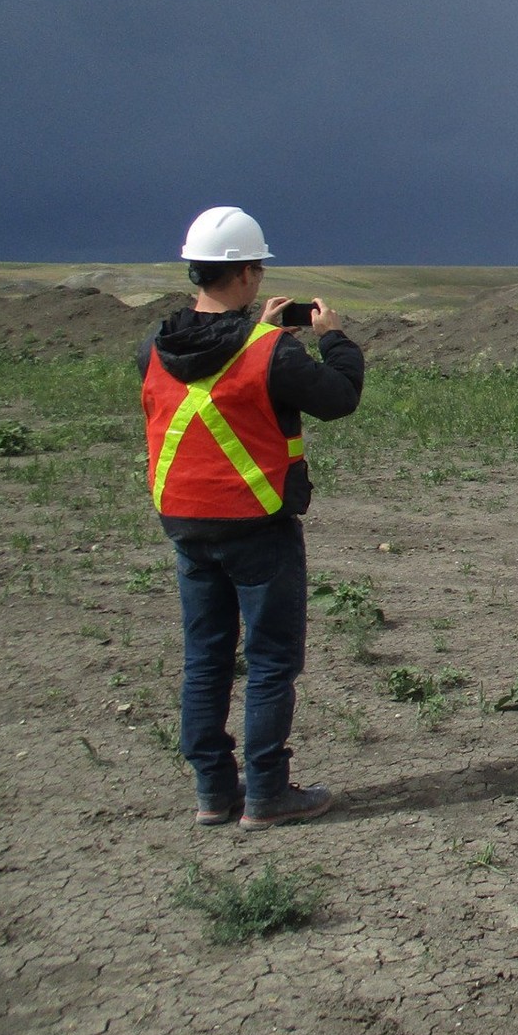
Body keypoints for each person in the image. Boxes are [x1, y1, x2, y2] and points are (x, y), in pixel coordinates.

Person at [138, 207, 364, 830]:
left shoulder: (154, 348)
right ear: (243, 273)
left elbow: (212, 370)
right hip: (257, 524)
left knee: (205, 657)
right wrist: (334, 339)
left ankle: (214, 793)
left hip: (185, 520)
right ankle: (266, 792)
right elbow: (339, 399)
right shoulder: (269, 353)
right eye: (258, 266)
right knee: (269, 661)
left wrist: (259, 334)